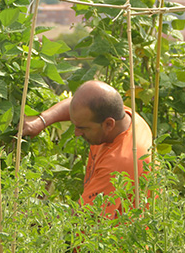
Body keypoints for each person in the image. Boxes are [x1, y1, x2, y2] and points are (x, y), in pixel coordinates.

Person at [21, 80, 152, 218]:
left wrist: (30, 218)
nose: (76, 133)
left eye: (82, 128)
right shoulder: (123, 117)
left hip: (116, 234)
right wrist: (41, 121)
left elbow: (82, 218)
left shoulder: (120, 162)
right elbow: (78, 107)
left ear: (108, 124)